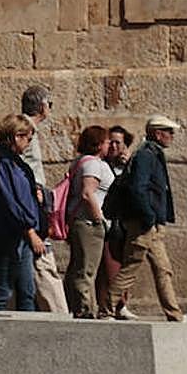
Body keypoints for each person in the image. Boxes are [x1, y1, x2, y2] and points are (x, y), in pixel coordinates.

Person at [104, 116, 185, 321]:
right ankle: (106, 308)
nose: (172, 136)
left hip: (152, 224)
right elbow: (137, 189)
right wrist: (148, 217)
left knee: (163, 268)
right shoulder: (146, 155)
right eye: (169, 131)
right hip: (143, 223)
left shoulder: (153, 154)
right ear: (158, 134)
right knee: (131, 266)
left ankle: (174, 313)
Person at [0, 115, 44, 311]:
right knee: (2, 291)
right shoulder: (1, 161)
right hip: (9, 234)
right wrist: (30, 230)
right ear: (16, 136)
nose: (29, 143)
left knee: (26, 291)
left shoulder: (13, 161)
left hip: (19, 234)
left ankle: (28, 338)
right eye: (28, 138)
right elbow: (9, 200)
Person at [20, 85, 69, 314]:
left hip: (34, 198)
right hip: (31, 201)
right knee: (42, 260)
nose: (50, 109)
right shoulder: (25, 128)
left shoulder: (30, 129)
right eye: (50, 104)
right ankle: (57, 312)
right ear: (42, 106)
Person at [63, 125, 112, 319]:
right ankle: (84, 309)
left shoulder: (82, 161)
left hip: (83, 222)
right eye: (107, 141)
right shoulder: (92, 164)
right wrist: (99, 219)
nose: (109, 145)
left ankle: (81, 307)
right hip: (89, 223)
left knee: (80, 266)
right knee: (86, 269)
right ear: (99, 144)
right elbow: (87, 193)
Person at [95, 125, 136, 319]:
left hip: (124, 223)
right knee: (109, 267)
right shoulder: (102, 165)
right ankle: (111, 306)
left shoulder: (129, 166)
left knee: (123, 265)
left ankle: (121, 305)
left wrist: (128, 167)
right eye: (109, 141)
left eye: (117, 142)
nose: (112, 146)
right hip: (108, 223)